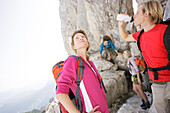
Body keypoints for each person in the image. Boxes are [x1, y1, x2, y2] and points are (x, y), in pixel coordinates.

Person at [118, 1, 170, 113]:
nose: (134, 16)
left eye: (137, 13)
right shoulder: (141, 34)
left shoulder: (166, 31)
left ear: (147, 14)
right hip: (157, 85)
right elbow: (126, 37)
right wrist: (120, 25)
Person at [56, 29, 109, 113]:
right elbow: (60, 94)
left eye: (83, 37)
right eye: (77, 38)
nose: (81, 38)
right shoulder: (72, 61)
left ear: (87, 44)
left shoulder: (90, 64)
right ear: (74, 46)